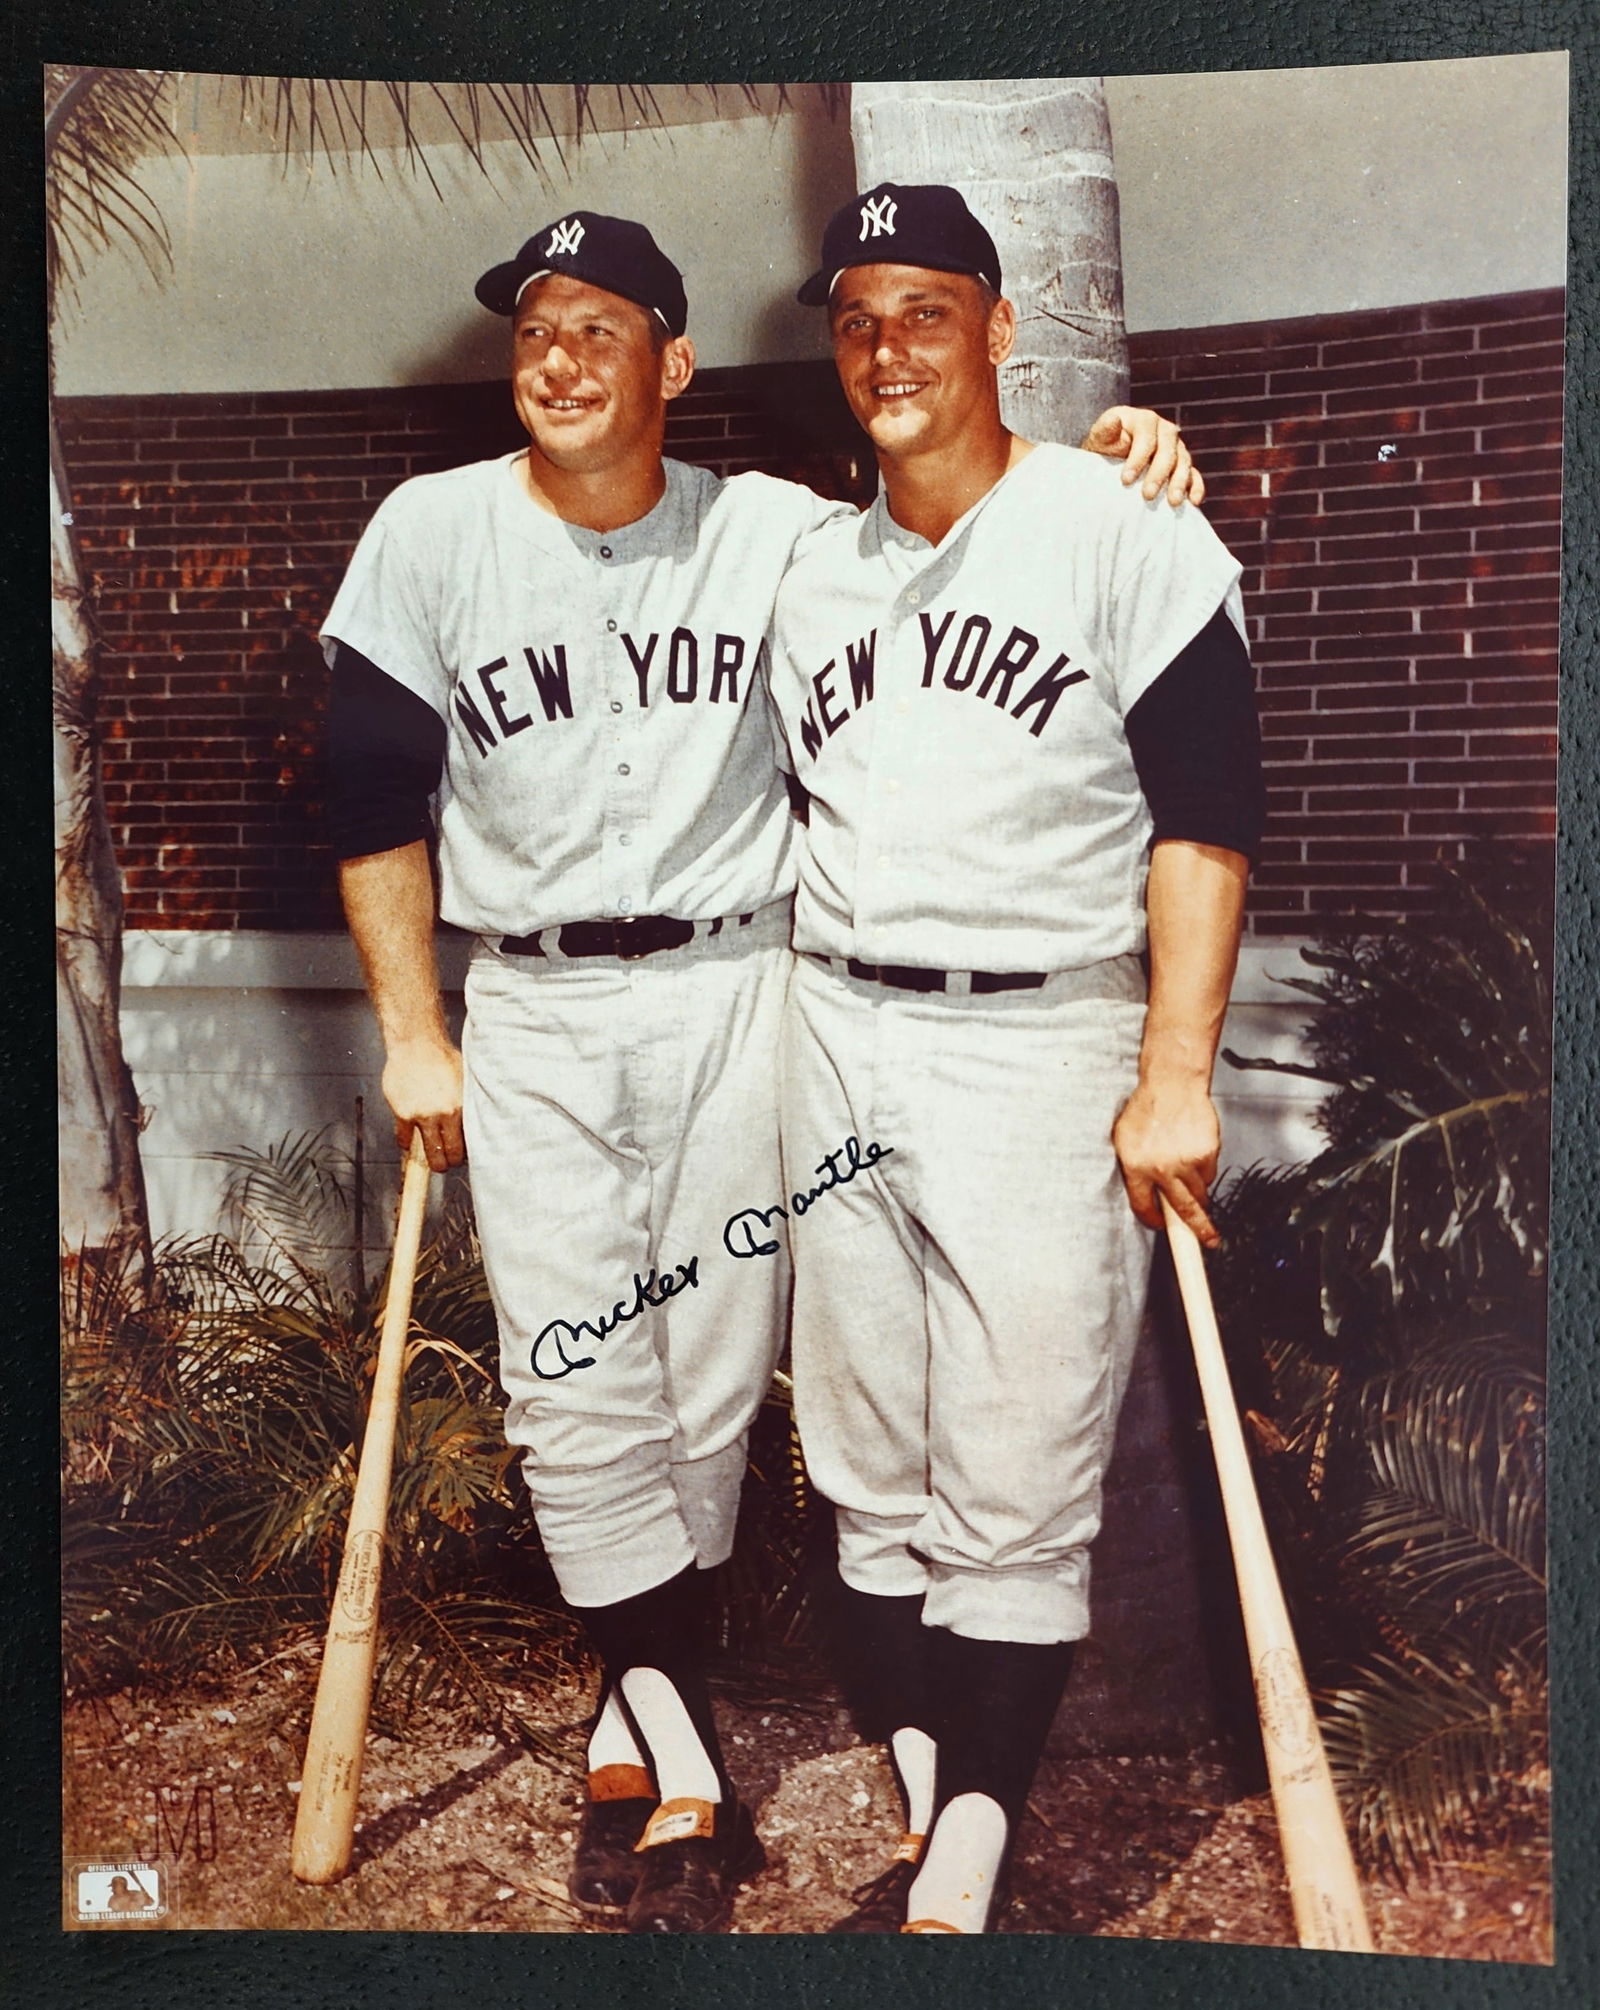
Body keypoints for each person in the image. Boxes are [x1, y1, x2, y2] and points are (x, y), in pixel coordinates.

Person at [322, 205, 1201, 1935]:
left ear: (677, 361)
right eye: (533, 332)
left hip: (747, 985)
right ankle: (680, 1734)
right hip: (542, 1007)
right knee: (574, 1374)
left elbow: (971, 512)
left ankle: (644, 1719)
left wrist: (1126, 451)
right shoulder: (428, 534)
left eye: (601, 330)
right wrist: (415, 1029)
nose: (560, 362)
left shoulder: (779, 536)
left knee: (711, 1386)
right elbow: (365, 799)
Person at [768, 183, 1266, 1935]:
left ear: (1001, 325)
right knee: (862, 1456)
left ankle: (972, 1839)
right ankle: (931, 1792)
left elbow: (1207, 814)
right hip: (832, 1028)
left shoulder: (1119, 524)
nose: (886, 346)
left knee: (1019, 1460)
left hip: (1044, 1034)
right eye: (855, 316)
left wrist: (1178, 1066)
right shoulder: (803, 563)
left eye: (925, 308)